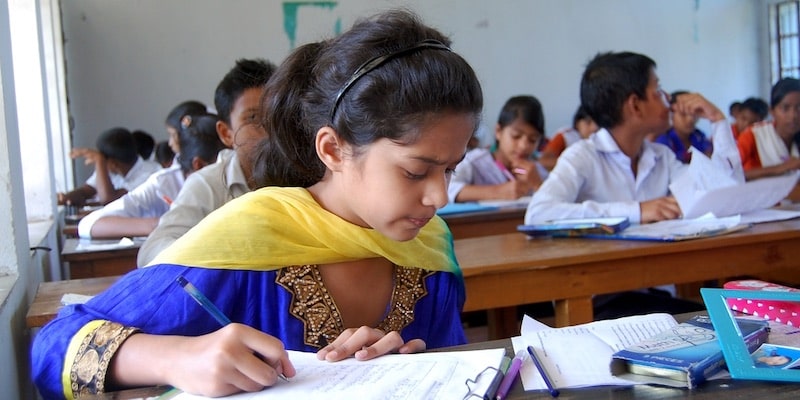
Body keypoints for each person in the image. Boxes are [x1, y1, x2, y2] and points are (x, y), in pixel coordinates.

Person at [32, 9, 483, 398]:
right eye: (414, 171)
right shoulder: (249, 239)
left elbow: (460, 366)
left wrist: (416, 366)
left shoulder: (429, 249)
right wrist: (177, 357)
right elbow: (52, 349)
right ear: (332, 149)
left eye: (451, 169)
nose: (439, 197)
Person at [525, 51, 741, 225]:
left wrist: (718, 121)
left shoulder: (661, 157)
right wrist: (636, 211)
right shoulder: (582, 157)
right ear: (635, 105)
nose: (668, 98)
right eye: (657, 89)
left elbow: (725, 196)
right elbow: (539, 213)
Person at [136, 58, 277, 266]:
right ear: (225, 133)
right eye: (254, 118)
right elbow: (151, 251)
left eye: (277, 115)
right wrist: (218, 253)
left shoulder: (306, 176)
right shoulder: (208, 184)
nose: (270, 129)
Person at [77, 114, 225, 239]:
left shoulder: (238, 178)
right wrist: (166, 223)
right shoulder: (164, 183)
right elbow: (88, 224)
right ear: (199, 165)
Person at [447, 95, 546, 202]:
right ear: (498, 131)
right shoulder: (474, 163)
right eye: (516, 136)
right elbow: (448, 188)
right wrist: (496, 192)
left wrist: (538, 185)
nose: (524, 146)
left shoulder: (537, 171)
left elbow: (556, 201)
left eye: (533, 140)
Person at [57, 127, 161, 206]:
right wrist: (66, 197)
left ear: (113, 163)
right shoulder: (113, 171)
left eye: (102, 159)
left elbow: (108, 199)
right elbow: (86, 191)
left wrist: (99, 161)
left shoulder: (150, 174)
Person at [737, 78, 800, 200]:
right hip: (761, 210)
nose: (793, 116)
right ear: (772, 111)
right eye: (785, 108)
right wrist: (782, 167)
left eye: (799, 108)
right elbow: (727, 175)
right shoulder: (753, 135)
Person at [654, 90, 713, 163]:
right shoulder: (664, 140)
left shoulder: (699, 135)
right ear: (670, 114)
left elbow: (711, 157)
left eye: (694, 114)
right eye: (683, 114)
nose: (690, 119)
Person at [539, 105, 599, 171]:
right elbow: (544, 161)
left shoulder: (599, 141)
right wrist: (573, 163)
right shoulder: (566, 136)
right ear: (577, 123)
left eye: (598, 124)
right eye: (588, 122)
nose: (594, 128)